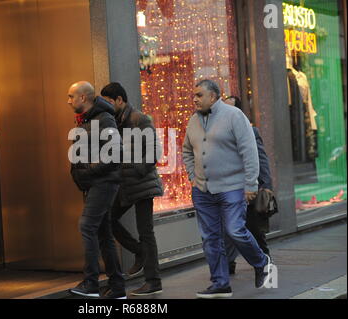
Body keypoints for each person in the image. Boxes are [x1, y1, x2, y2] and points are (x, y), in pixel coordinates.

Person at [182, 79, 272, 299]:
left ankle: (262, 262)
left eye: (199, 95)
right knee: (210, 238)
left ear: (213, 96)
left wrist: (251, 184)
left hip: (232, 187)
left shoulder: (234, 116)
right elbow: (186, 150)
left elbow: (250, 151)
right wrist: (193, 177)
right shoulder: (193, 120)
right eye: (193, 95)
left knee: (235, 230)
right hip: (203, 191)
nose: (194, 99)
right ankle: (220, 283)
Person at [101, 82, 164, 296]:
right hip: (123, 184)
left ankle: (153, 280)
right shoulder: (112, 122)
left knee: (146, 231)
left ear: (120, 100)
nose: (108, 106)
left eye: (110, 101)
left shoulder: (139, 119)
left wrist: (136, 169)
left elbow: (154, 151)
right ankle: (139, 252)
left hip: (142, 182)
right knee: (107, 219)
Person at [67, 81, 126, 299]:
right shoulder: (87, 120)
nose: (68, 100)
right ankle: (118, 286)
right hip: (94, 184)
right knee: (103, 233)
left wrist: (88, 172)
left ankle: (91, 283)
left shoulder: (104, 118)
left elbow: (115, 153)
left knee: (87, 226)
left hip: (104, 183)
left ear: (83, 98)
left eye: (71, 96)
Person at [224, 96, 274, 274]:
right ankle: (228, 265)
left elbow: (262, 160)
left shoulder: (251, 132)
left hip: (249, 190)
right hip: (229, 189)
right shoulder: (220, 133)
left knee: (253, 228)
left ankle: (264, 261)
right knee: (228, 229)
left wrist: (265, 185)